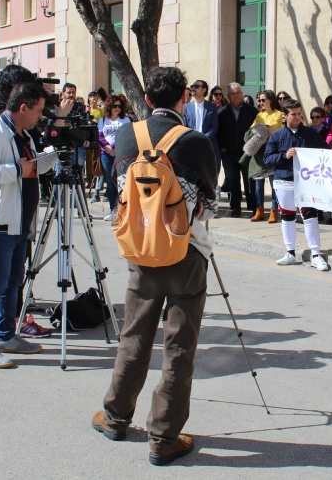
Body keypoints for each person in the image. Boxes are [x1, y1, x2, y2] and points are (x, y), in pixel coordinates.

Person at [94, 66, 218, 466]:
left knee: (134, 336)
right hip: (187, 252)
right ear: (184, 98)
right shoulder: (196, 141)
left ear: (147, 100)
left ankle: (115, 417)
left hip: (141, 252)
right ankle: (164, 437)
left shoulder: (128, 134)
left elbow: (119, 189)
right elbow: (210, 204)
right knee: (179, 346)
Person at [0, 82, 57, 368]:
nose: (40, 116)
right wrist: (18, 169)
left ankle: (6, 335)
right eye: (38, 110)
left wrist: (55, 153)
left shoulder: (23, 134)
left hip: (19, 222)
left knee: (13, 284)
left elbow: (34, 167)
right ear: (23, 108)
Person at [263, 99, 330, 271]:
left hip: (306, 182)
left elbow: (325, 150)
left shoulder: (309, 133)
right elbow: (267, 159)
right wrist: (284, 155)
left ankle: (316, 255)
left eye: (300, 113)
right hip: (283, 180)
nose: (298, 117)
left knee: (310, 216)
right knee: (287, 217)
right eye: (294, 114)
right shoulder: (277, 135)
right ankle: (290, 253)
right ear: (284, 115)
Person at [217, 83, 258, 218]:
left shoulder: (252, 111)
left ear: (241, 93)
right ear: (228, 96)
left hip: (247, 153)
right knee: (232, 181)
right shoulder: (222, 113)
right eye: (233, 94)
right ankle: (235, 208)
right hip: (229, 153)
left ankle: (253, 208)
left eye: (238, 93)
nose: (236, 95)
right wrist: (222, 146)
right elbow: (218, 131)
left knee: (249, 180)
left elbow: (257, 131)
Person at [250, 90, 284, 222]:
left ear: (270, 100)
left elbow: (272, 130)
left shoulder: (278, 114)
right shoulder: (259, 115)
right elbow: (252, 130)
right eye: (259, 100)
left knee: (273, 183)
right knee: (258, 184)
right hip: (260, 153)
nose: (261, 102)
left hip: (273, 152)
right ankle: (260, 211)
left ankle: (274, 212)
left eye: (263, 100)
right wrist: (263, 129)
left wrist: (262, 129)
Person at [98, 94, 132, 220]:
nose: (117, 108)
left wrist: (115, 146)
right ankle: (113, 210)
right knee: (110, 184)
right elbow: (99, 136)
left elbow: (127, 135)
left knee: (122, 183)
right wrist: (107, 147)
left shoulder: (126, 120)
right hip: (106, 155)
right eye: (115, 106)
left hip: (122, 154)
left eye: (119, 106)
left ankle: (124, 210)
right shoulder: (102, 120)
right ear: (109, 106)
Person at [184, 79, 220, 171]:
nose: (193, 88)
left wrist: (203, 139)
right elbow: (184, 126)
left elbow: (214, 127)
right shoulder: (186, 107)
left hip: (208, 146)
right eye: (192, 86)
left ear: (204, 90)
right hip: (192, 146)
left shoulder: (212, 107)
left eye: (196, 86)